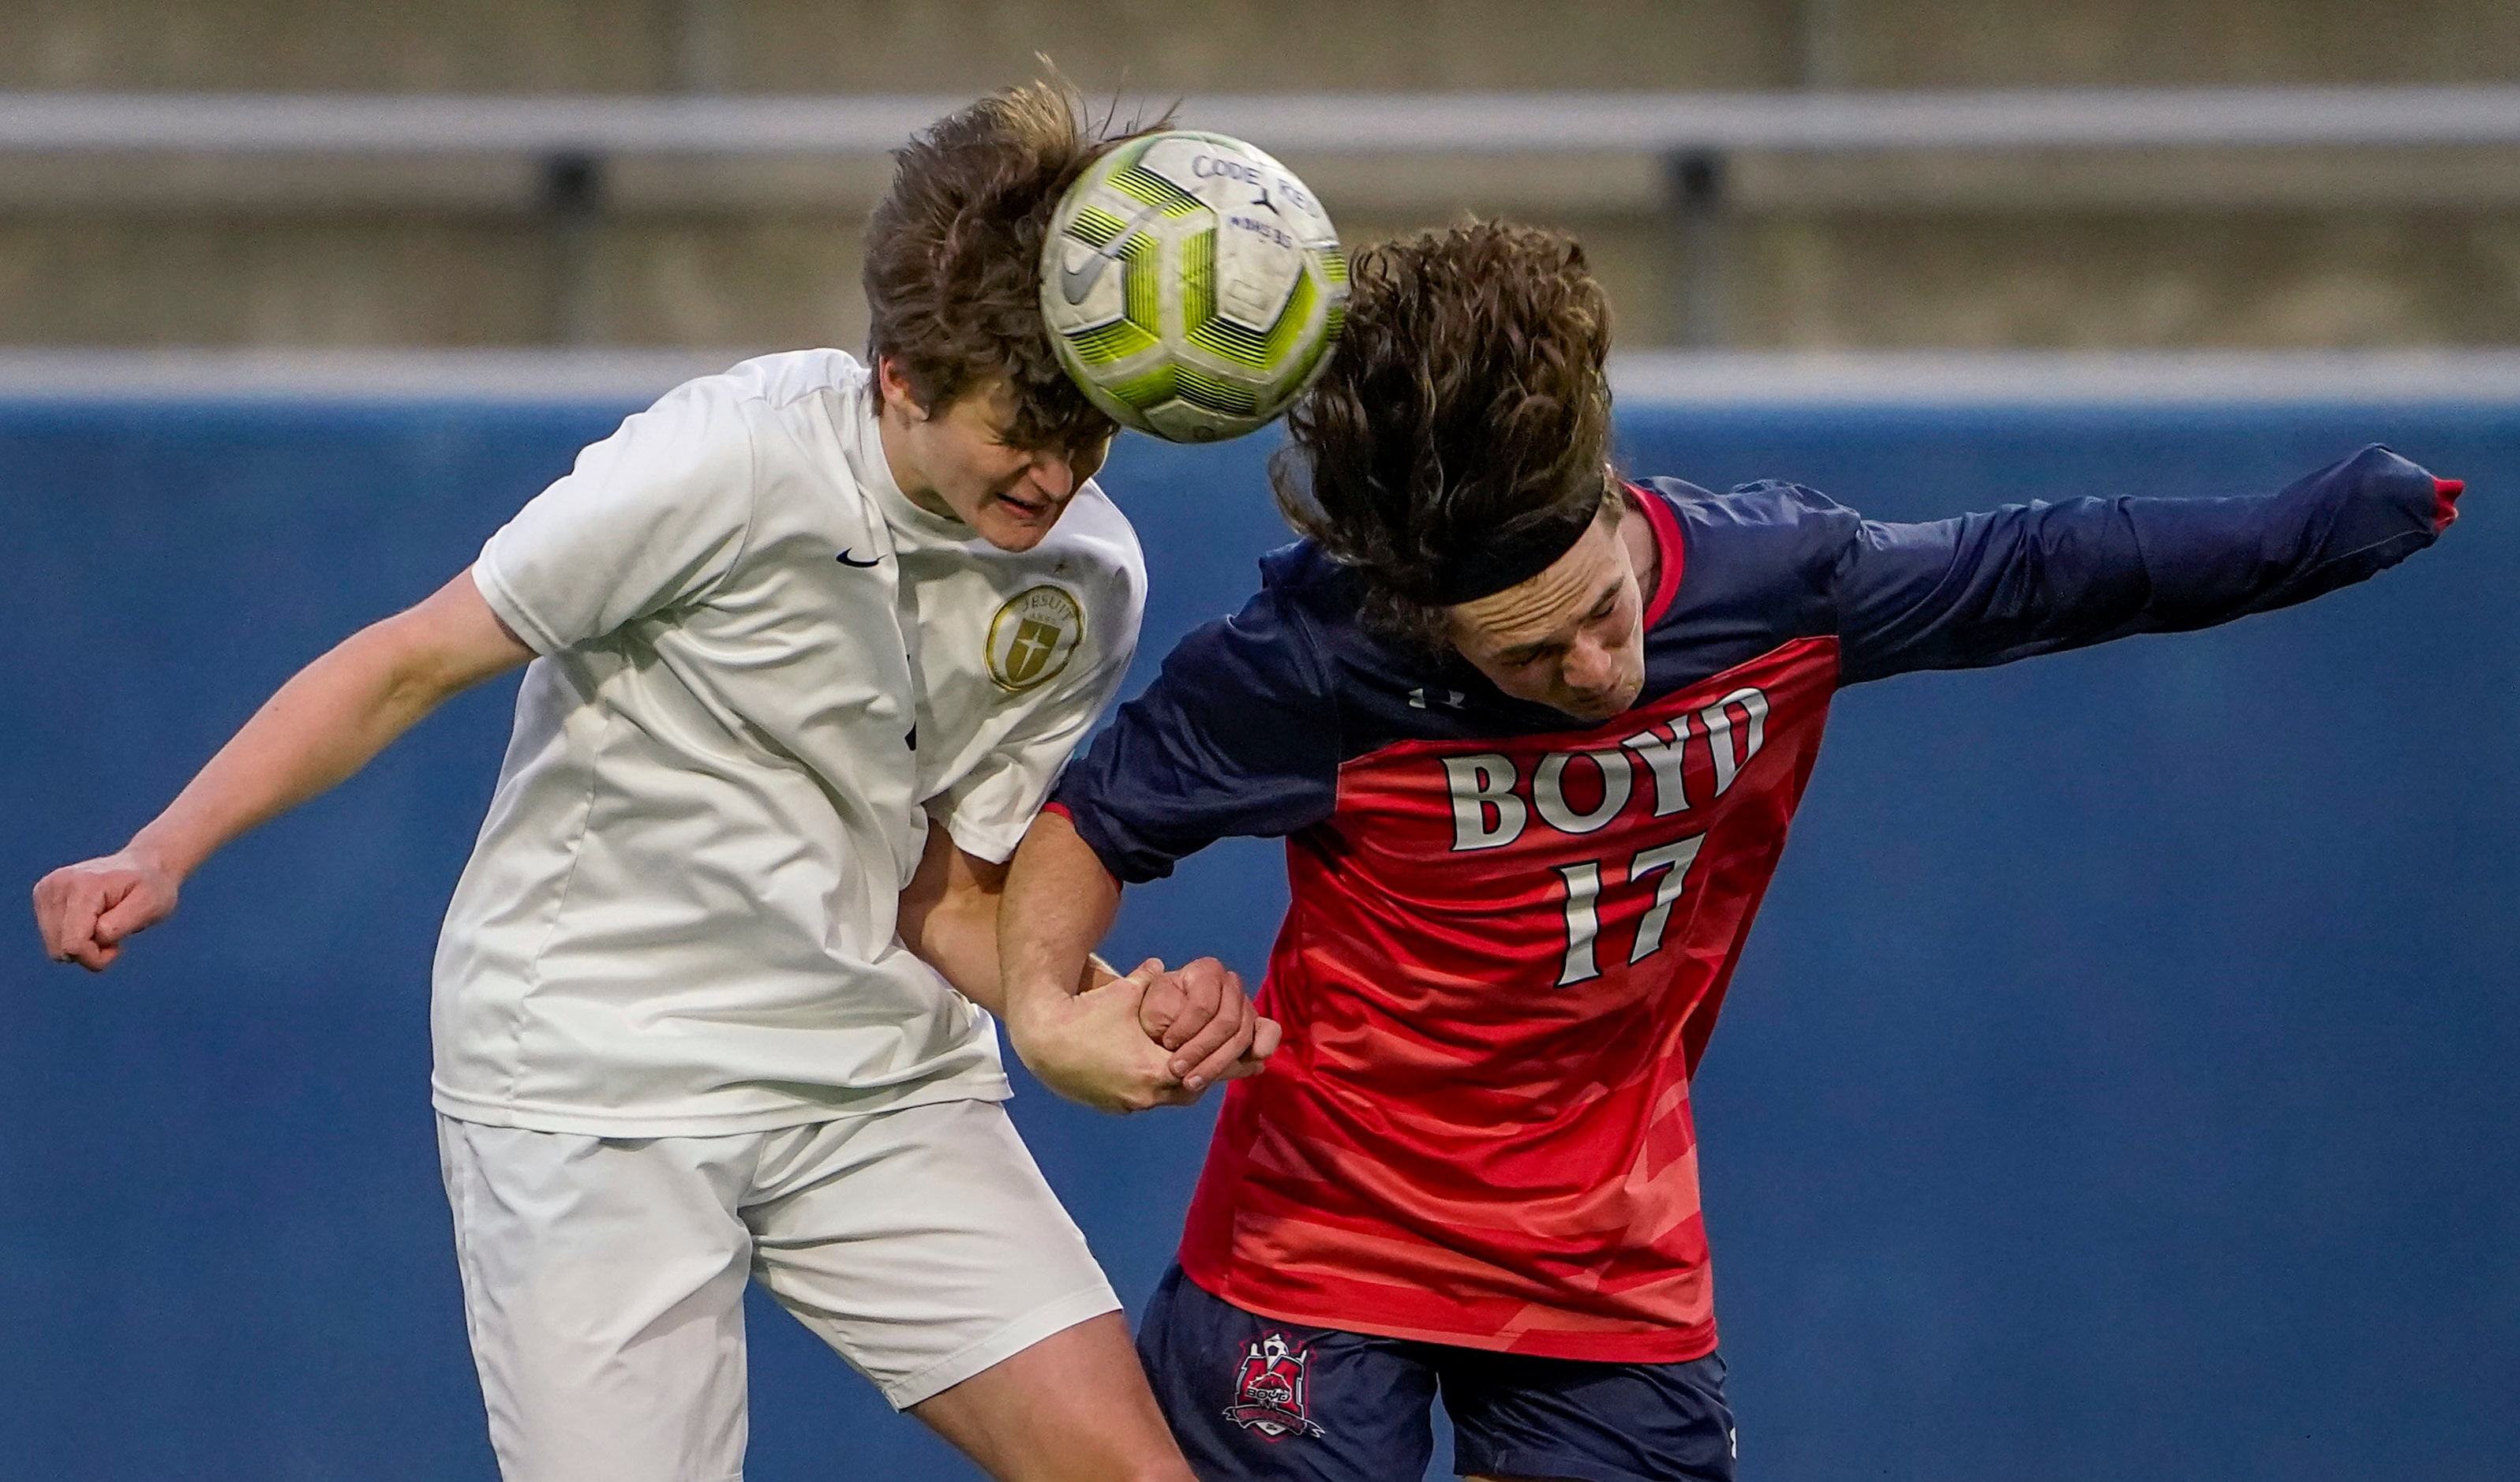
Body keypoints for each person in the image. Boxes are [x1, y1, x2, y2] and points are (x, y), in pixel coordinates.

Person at [996, 220, 2468, 1482]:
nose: (1592, 669)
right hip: (1318, 1238)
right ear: (1421, 619)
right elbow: (1095, 819)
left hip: (1599, 1246)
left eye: (1600, 610)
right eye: (1528, 655)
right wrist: (1054, 1016)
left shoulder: (1777, 589)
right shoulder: (1313, 662)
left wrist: (2305, 528)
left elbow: (2037, 568)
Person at [31, 82, 1265, 1482]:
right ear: (902, 378)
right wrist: (164, 844)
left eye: (1087, 435)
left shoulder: (1086, 577)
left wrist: (1076, 1011)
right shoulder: (724, 460)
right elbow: (409, 662)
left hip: (871, 1080)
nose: (1055, 474)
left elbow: (940, 881)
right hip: (590, 1082)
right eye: (1017, 434)